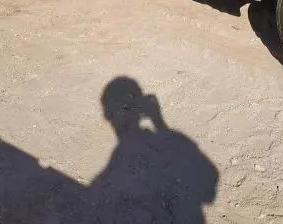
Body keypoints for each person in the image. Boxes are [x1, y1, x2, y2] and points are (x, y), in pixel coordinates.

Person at [88, 77, 218, 223]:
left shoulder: (112, 169)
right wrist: (158, 121)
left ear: (107, 115)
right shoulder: (176, 143)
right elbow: (208, 186)